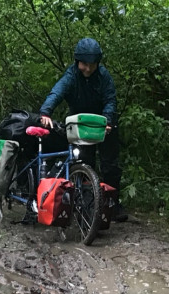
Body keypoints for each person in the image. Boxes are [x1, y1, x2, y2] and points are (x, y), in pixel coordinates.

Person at [39, 37, 127, 222]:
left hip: (104, 124)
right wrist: (46, 112)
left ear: (97, 64)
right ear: (77, 62)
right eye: (84, 64)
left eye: (91, 65)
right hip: (81, 125)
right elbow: (57, 92)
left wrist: (108, 120)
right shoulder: (71, 76)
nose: (87, 68)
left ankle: (113, 204)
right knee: (84, 162)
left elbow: (110, 100)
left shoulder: (104, 77)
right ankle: (88, 205)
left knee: (110, 166)